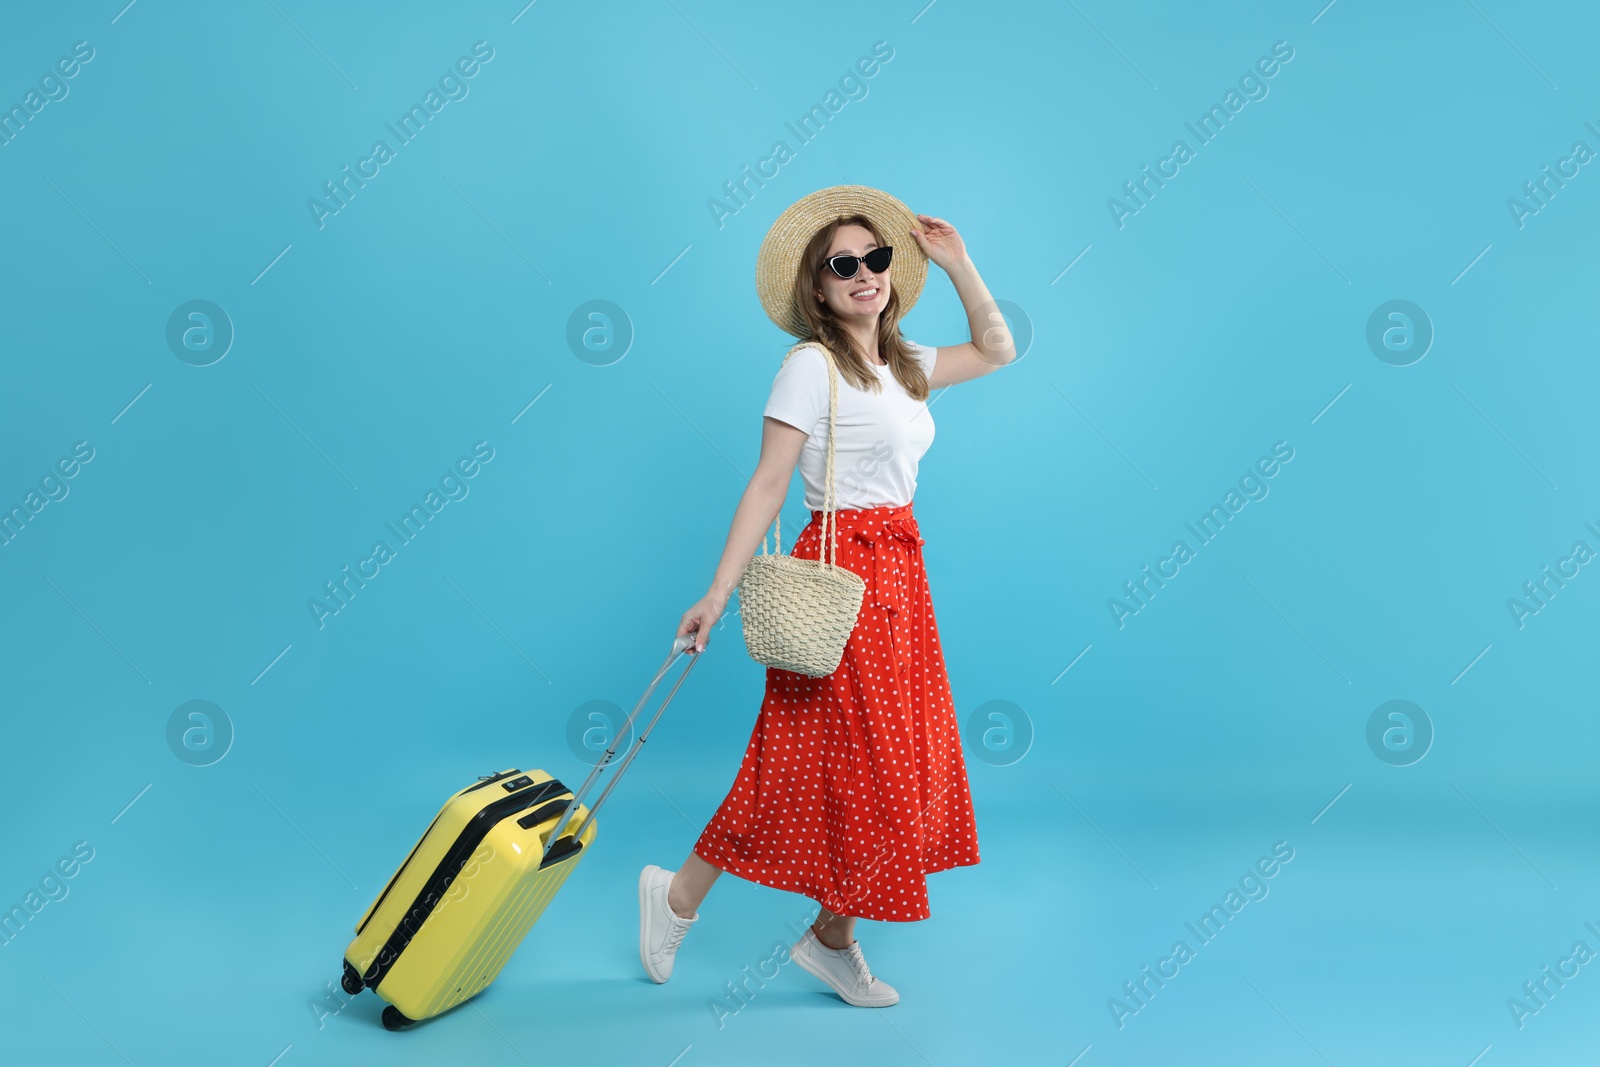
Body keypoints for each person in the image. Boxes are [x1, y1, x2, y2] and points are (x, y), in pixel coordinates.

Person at [639, 184, 1015, 1008]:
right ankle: (696, 905)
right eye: (843, 265)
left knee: (894, 768)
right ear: (818, 286)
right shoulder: (810, 366)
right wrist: (716, 592)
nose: (864, 274)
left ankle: (818, 933)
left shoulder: (905, 366)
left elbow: (996, 349)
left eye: (875, 258)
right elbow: (770, 481)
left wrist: (957, 262)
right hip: (839, 578)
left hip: (902, 581)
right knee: (825, 766)